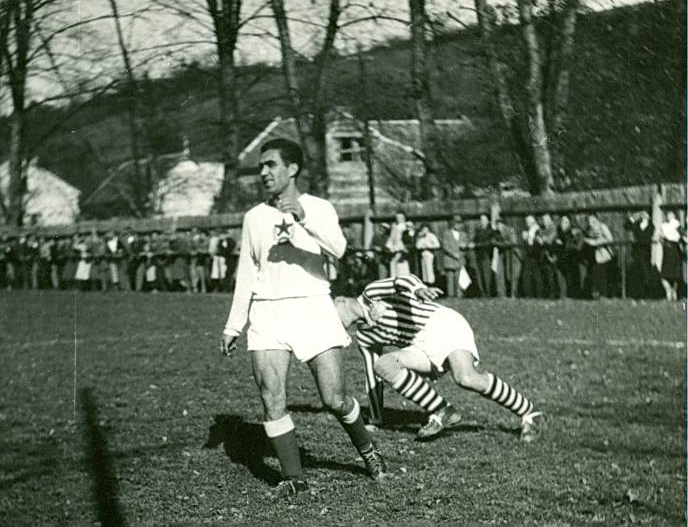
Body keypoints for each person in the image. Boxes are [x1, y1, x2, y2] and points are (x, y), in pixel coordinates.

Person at [220, 138, 386, 499]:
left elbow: (340, 250)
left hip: (312, 307)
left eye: (271, 165)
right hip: (267, 311)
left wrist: (304, 219)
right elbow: (246, 273)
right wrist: (235, 325)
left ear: (292, 168)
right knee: (271, 396)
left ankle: (368, 450)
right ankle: (294, 478)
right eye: (261, 166)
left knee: (334, 399)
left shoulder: (319, 207)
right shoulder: (253, 218)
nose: (263, 172)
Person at [333, 274, 543, 442]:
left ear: (340, 300)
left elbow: (401, 281)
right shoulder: (363, 336)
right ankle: (442, 410)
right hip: (417, 344)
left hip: (440, 323)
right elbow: (372, 375)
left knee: (466, 378)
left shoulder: (371, 294)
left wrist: (418, 289)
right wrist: (376, 418)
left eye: (330, 311)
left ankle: (530, 413)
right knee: (384, 365)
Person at [584, 214, 614, 299]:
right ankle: (598, 294)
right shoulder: (590, 229)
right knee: (595, 274)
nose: (591, 223)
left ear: (597, 219)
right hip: (594, 256)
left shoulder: (602, 227)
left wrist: (595, 242)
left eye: (593, 221)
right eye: (589, 221)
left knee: (601, 274)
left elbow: (609, 239)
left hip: (604, 255)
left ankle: (603, 294)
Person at [441, 216, 469, 298]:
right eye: (456, 223)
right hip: (449, 259)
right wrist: (453, 253)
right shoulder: (447, 233)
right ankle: (451, 295)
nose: (458, 225)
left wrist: (465, 245)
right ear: (453, 224)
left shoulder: (463, 234)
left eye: (459, 223)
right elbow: (445, 246)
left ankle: (459, 294)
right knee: (450, 278)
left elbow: (466, 243)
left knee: (459, 277)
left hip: (460, 259)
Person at [657, 211, 682, 301]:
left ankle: (673, 292)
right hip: (667, 249)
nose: (668, 216)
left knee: (675, 274)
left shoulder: (677, 225)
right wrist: (662, 239)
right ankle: (669, 291)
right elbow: (660, 237)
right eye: (668, 214)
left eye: (670, 214)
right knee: (664, 274)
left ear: (674, 215)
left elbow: (680, 236)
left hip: (674, 249)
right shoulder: (664, 225)